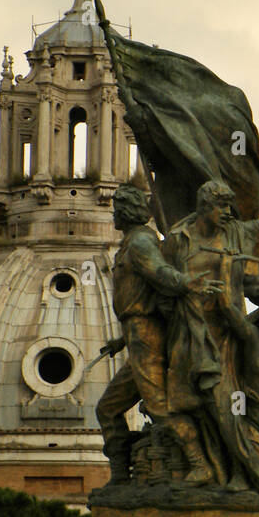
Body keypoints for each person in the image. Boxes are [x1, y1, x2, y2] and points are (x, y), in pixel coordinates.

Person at [160, 174, 259, 491]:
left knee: (228, 404)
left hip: (228, 334)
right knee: (186, 403)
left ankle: (246, 473)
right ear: (205, 207)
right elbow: (161, 280)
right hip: (188, 331)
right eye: (223, 207)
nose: (230, 213)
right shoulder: (179, 239)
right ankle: (208, 468)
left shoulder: (235, 233)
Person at [95, 185, 222, 484]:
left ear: (127, 212)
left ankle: (199, 463)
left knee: (159, 406)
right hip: (136, 335)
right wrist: (122, 340)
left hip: (145, 337)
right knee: (108, 408)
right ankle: (120, 476)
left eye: (117, 208)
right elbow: (145, 295)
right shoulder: (132, 243)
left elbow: (161, 274)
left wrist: (187, 283)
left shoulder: (140, 243)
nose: (114, 213)